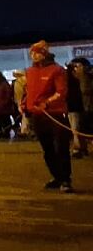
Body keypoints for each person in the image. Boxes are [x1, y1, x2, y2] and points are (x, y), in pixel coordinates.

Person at [24, 40, 72, 192]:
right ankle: (57, 176)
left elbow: (61, 92)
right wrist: (24, 104)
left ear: (44, 54)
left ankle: (65, 180)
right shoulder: (30, 71)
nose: (33, 55)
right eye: (32, 53)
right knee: (47, 149)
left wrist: (47, 103)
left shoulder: (57, 70)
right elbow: (29, 92)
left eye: (37, 52)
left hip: (55, 114)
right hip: (37, 115)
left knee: (61, 148)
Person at [69, 57, 92, 158]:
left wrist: (81, 77)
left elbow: (85, 90)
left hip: (88, 108)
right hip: (80, 108)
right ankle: (80, 149)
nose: (75, 69)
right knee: (79, 130)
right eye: (74, 67)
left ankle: (80, 149)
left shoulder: (87, 77)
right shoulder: (72, 78)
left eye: (77, 66)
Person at [11, 70, 29, 138]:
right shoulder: (24, 80)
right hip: (25, 101)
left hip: (22, 101)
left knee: (25, 116)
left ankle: (24, 131)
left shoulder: (18, 82)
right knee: (25, 116)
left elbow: (19, 94)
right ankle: (24, 130)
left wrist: (19, 103)